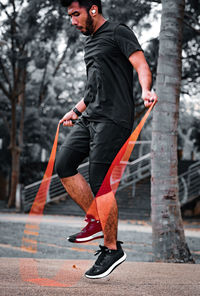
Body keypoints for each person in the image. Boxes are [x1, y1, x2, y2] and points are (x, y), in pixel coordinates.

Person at [56, 0, 157, 279]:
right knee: (64, 165)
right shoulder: (90, 45)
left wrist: (146, 90)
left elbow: (141, 64)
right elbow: (93, 88)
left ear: (92, 9)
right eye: (69, 16)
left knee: (100, 180)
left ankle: (112, 249)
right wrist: (75, 111)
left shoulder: (118, 32)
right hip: (90, 117)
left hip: (114, 119)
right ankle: (95, 219)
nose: (72, 21)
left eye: (75, 14)